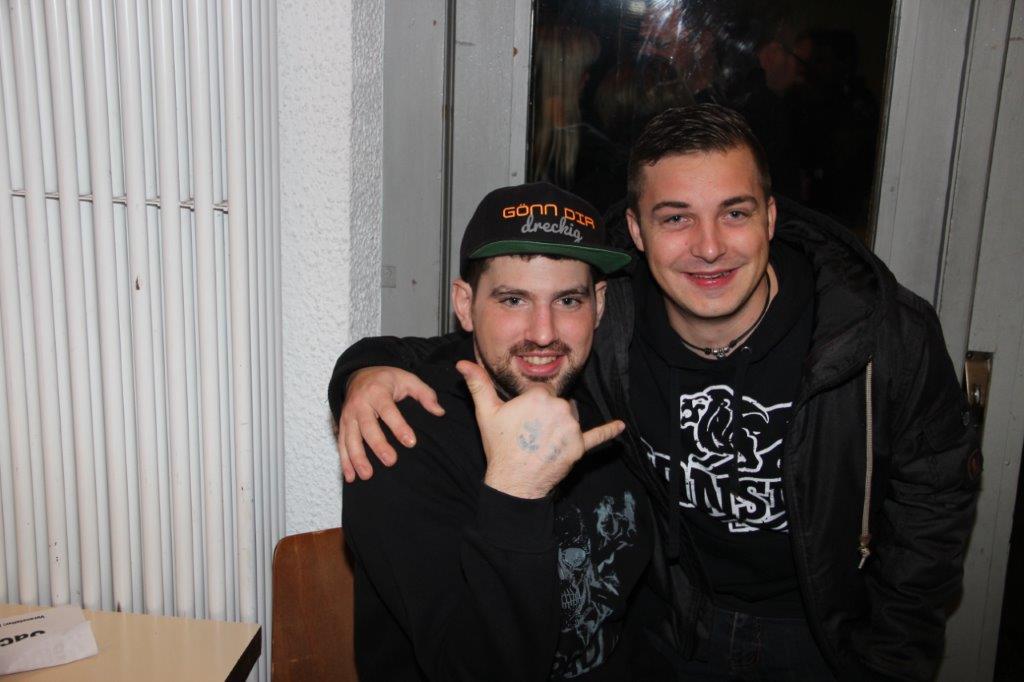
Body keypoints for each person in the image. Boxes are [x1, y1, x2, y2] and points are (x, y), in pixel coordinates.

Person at [330, 105, 980, 681]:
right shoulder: (590, 346)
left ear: (771, 217)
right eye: (676, 218)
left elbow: (934, 501)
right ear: (638, 233)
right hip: (684, 633)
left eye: (735, 212)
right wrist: (362, 371)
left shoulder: (876, 332)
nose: (708, 247)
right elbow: (464, 353)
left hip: (829, 636)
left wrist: (893, 658)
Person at [331, 182, 654, 681]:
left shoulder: (605, 392)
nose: (544, 333)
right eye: (513, 299)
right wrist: (516, 492)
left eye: (569, 300)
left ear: (599, 305)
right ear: (465, 304)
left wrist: (362, 364)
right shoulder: (400, 435)